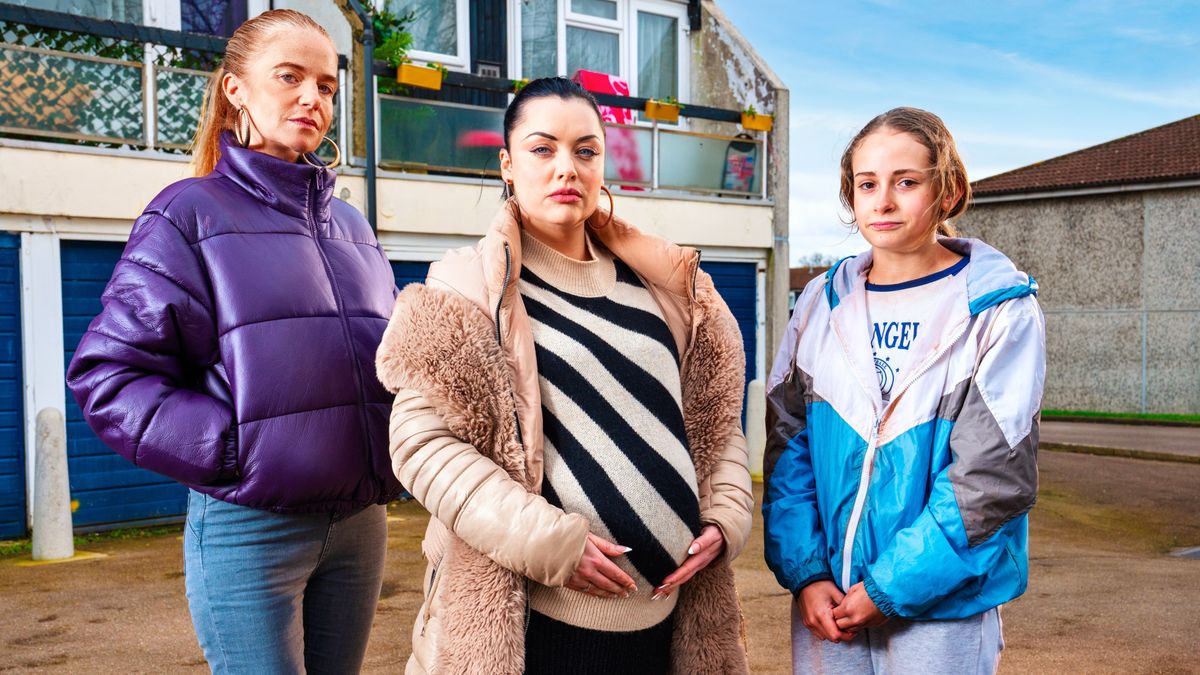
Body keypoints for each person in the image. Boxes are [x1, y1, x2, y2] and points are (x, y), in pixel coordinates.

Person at [374, 77, 754, 674]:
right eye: (542, 149)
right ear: (506, 163)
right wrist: (551, 544)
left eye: (585, 150)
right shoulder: (465, 289)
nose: (566, 168)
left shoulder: (665, 288)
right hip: (547, 630)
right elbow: (419, 444)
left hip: (670, 625)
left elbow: (714, 420)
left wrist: (724, 516)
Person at [65, 10, 400, 673]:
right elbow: (108, 376)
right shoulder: (187, 214)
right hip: (253, 526)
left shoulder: (354, 228)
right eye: (289, 76)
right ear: (235, 89)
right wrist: (236, 448)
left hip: (361, 528)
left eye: (328, 86)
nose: (312, 97)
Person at [762, 107, 1046, 674]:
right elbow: (787, 451)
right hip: (829, 603)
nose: (883, 201)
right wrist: (808, 573)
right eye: (867, 184)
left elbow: (990, 482)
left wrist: (888, 588)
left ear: (949, 191)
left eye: (906, 182)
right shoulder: (819, 303)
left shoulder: (1000, 311)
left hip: (940, 608)